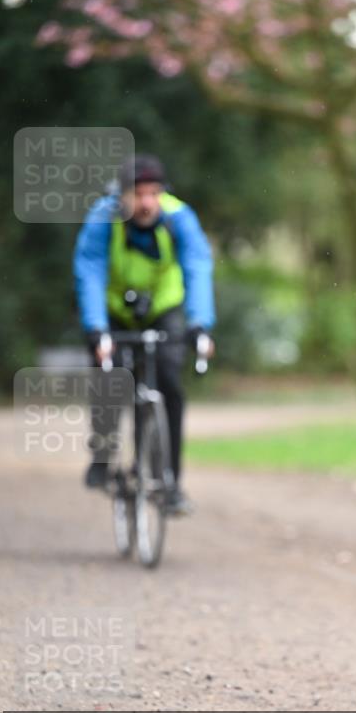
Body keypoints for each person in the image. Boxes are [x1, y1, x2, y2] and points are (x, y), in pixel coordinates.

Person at [73, 154, 216, 516]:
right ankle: (103, 456)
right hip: (115, 311)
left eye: (153, 193)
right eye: (138, 194)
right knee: (109, 375)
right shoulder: (104, 218)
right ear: (121, 196)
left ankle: (170, 484)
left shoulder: (178, 216)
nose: (147, 202)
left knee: (169, 382)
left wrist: (200, 324)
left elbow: (197, 265)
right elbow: (89, 271)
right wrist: (96, 330)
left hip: (163, 307)